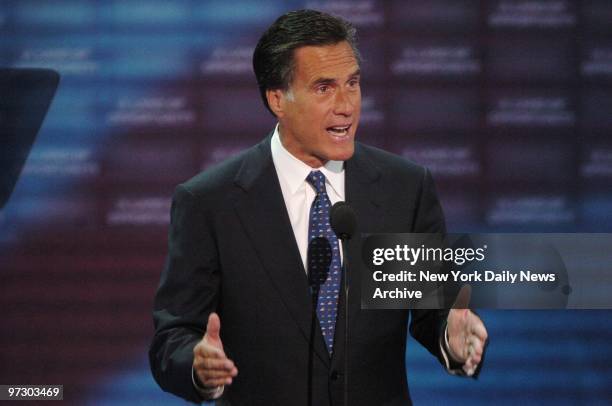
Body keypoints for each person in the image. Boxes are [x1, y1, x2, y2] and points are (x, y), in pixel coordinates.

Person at [149, 9, 488, 405]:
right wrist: (197, 366)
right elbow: (172, 338)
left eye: (353, 84)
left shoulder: (404, 188)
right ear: (278, 99)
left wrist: (452, 336)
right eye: (324, 88)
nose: (346, 105)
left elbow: (431, 311)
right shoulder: (210, 202)